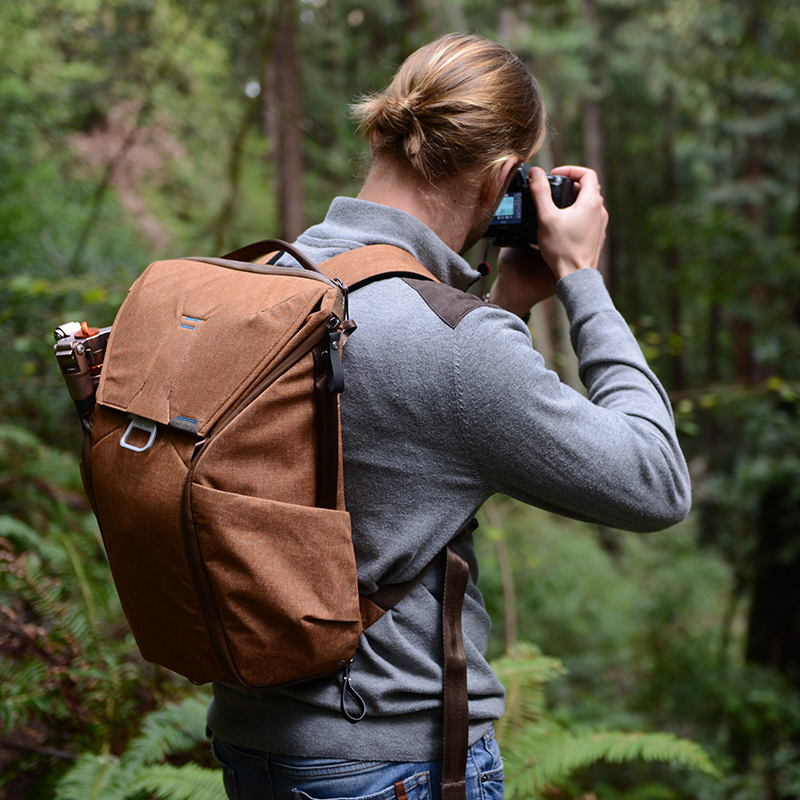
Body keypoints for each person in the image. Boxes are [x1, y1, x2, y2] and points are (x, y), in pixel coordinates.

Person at [207, 32, 691, 800]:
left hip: (254, 745)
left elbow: (382, 451)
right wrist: (581, 280)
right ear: (506, 175)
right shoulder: (455, 347)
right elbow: (655, 483)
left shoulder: (266, 282)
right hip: (391, 765)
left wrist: (503, 308)